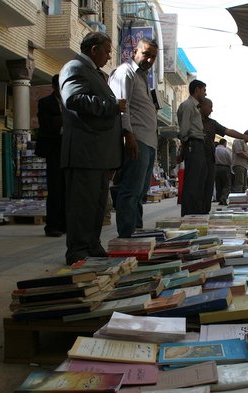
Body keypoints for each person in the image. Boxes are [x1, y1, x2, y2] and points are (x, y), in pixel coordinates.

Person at [59, 32, 132, 265]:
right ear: (94, 50)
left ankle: (91, 243)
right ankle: (78, 249)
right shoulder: (75, 67)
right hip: (85, 152)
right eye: (107, 50)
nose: (109, 55)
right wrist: (112, 105)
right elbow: (74, 100)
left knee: (97, 205)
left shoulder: (95, 73)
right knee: (82, 204)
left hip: (99, 155)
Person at [109, 38, 159, 238]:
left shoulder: (142, 77)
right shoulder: (125, 72)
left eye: (153, 56)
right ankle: (126, 236)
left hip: (148, 142)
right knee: (130, 191)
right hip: (136, 140)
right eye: (146, 54)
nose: (149, 59)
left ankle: (135, 232)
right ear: (134, 52)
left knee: (139, 192)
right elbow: (122, 108)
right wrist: (128, 137)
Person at [199, 98, 248, 212]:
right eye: (210, 107)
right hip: (205, 160)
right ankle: (232, 201)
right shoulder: (194, 120)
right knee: (228, 185)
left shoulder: (212, 123)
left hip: (212, 162)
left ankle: (206, 211)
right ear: (200, 106)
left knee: (210, 187)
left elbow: (227, 131)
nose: (212, 110)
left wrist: (244, 137)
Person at [36, 74, 65, 237]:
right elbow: (46, 124)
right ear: (54, 87)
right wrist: (64, 119)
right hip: (54, 150)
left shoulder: (70, 102)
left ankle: (64, 224)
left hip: (68, 148)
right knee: (55, 189)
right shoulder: (45, 103)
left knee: (66, 188)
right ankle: (52, 225)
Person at [177, 79, 207, 216]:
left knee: (199, 182)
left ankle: (195, 214)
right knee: (192, 183)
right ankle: (188, 215)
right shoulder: (188, 105)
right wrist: (185, 147)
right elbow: (184, 131)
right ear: (197, 90)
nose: (205, 93)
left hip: (198, 145)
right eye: (204, 90)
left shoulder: (195, 107)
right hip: (193, 145)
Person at [214, 138, 233, 205]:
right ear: (225, 143)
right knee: (227, 184)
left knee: (218, 184)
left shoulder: (215, 150)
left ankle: (219, 198)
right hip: (225, 168)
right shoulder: (226, 150)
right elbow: (230, 160)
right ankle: (223, 198)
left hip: (216, 168)